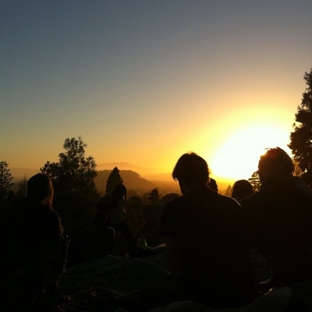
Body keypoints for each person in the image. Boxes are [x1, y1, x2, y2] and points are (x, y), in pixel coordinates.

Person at [159, 152, 257, 308]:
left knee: (137, 267)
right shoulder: (232, 205)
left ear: (181, 179)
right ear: (207, 177)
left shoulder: (173, 209)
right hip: (240, 294)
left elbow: (174, 259)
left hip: (198, 297)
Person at [241, 147, 312, 310]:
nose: (258, 172)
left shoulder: (278, 186)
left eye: (262, 167)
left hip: (296, 257)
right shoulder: (296, 182)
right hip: (303, 250)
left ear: (276, 168)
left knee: (244, 220)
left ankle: (279, 273)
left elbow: (240, 208)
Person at [0, 173, 70, 309]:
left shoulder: (12, 207)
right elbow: (55, 243)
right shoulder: (50, 215)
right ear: (48, 191)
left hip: (8, 263)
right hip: (32, 269)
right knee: (63, 242)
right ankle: (51, 290)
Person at [96, 184, 134, 255]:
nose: (122, 195)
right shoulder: (108, 198)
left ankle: (132, 251)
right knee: (112, 240)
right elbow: (99, 206)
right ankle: (109, 254)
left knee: (128, 236)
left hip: (120, 220)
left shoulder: (120, 198)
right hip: (112, 222)